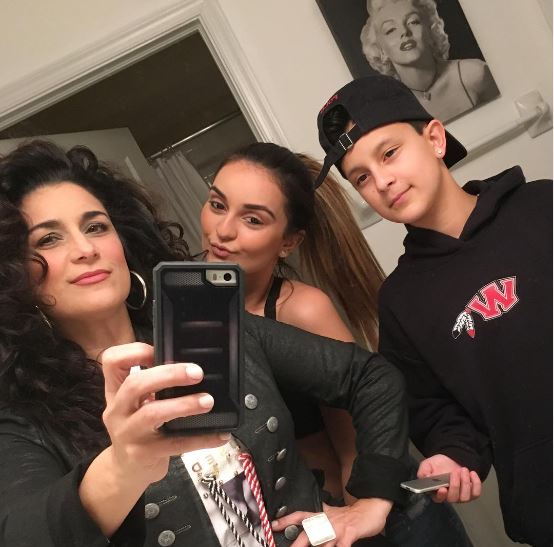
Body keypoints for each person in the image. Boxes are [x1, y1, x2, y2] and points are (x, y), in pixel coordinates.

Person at [0, 139, 412, 547]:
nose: (86, 249)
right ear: (15, 274)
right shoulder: (25, 417)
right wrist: (123, 466)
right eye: (48, 240)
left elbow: (371, 377)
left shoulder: (211, 325)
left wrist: (373, 499)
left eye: (96, 227)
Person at [314, 72, 552, 547]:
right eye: (362, 177)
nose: (382, 181)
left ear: (435, 139)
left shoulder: (542, 208)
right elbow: (436, 412)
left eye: (389, 153)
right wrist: (451, 456)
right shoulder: (401, 302)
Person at [201, 142, 472, 547]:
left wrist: (357, 525)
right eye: (217, 205)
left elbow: (352, 449)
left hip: (369, 515)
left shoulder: (302, 310)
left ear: (289, 242)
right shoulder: (182, 299)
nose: (222, 231)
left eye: (252, 219)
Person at [360, 0, 499, 122]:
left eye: (413, 22)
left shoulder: (475, 75)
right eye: (390, 30)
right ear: (380, 50)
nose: (404, 31)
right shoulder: (388, 111)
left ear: (430, 29)